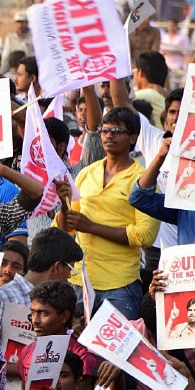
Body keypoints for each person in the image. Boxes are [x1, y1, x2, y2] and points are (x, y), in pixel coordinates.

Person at [57, 107, 159, 319]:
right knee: (76, 350)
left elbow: (145, 236)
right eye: (104, 130)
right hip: (79, 281)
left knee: (116, 351)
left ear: (133, 138)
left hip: (119, 285)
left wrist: (91, 227)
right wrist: (63, 203)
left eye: (116, 131)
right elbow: (66, 228)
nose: (108, 135)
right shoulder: (86, 174)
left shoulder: (143, 180)